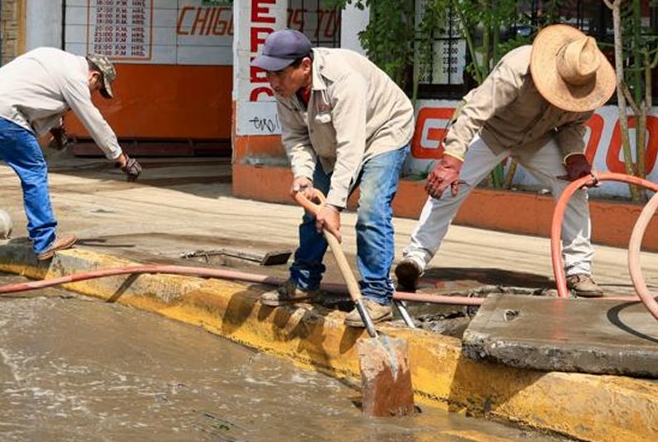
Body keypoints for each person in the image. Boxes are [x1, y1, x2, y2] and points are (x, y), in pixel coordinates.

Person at [395, 24, 615, 298]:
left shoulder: (589, 86)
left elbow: (573, 127)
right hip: (492, 131)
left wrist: (575, 157)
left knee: (574, 190)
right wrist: (451, 161)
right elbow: (474, 113)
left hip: (538, 139)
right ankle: (415, 258)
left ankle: (578, 270)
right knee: (451, 186)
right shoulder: (517, 67)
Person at [0, 48, 142, 264]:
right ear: (94, 77)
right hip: (3, 116)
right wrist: (121, 158)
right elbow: (93, 121)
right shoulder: (76, 78)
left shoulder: (52, 57)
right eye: (98, 89)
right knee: (34, 171)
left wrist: (56, 128)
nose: (93, 92)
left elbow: (34, 92)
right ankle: (44, 241)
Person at [253, 29, 414, 326]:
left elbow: (351, 148)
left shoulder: (343, 80)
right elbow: (296, 137)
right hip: (335, 141)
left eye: (279, 73)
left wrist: (335, 206)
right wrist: (303, 175)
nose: (272, 82)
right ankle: (304, 282)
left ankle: (377, 297)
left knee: (371, 210)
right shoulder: (286, 89)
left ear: (304, 65)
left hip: (383, 131)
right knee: (313, 211)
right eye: (268, 74)